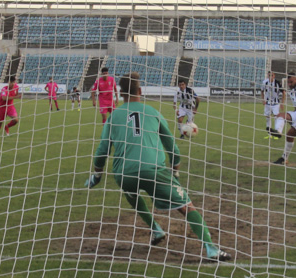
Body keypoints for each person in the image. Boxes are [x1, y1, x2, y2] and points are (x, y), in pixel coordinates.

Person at [85, 73, 231, 262]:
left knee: (131, 193)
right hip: (153, 170)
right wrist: (175, 172)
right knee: (187, 206)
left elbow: (102, 151)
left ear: (121, 93)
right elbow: (173, 149)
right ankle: (211, 249)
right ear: (140, 91)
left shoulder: (113, 117)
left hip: (123, 174)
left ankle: (155, 229)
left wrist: (97, 176)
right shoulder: (153, 112)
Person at [262, 70, 284, 139]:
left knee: (276, 117)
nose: (270, 76)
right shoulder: (265, 82)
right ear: (267, 76)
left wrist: (282, 103)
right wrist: (263, 100)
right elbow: (262, 91)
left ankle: (276, 133)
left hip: (276, 103)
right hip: (268, 103)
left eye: (272, 75)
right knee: (268, 118)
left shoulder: (277, 83)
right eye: (269, 75)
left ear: (274, 76)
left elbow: (284, 93)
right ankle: (269, 134)